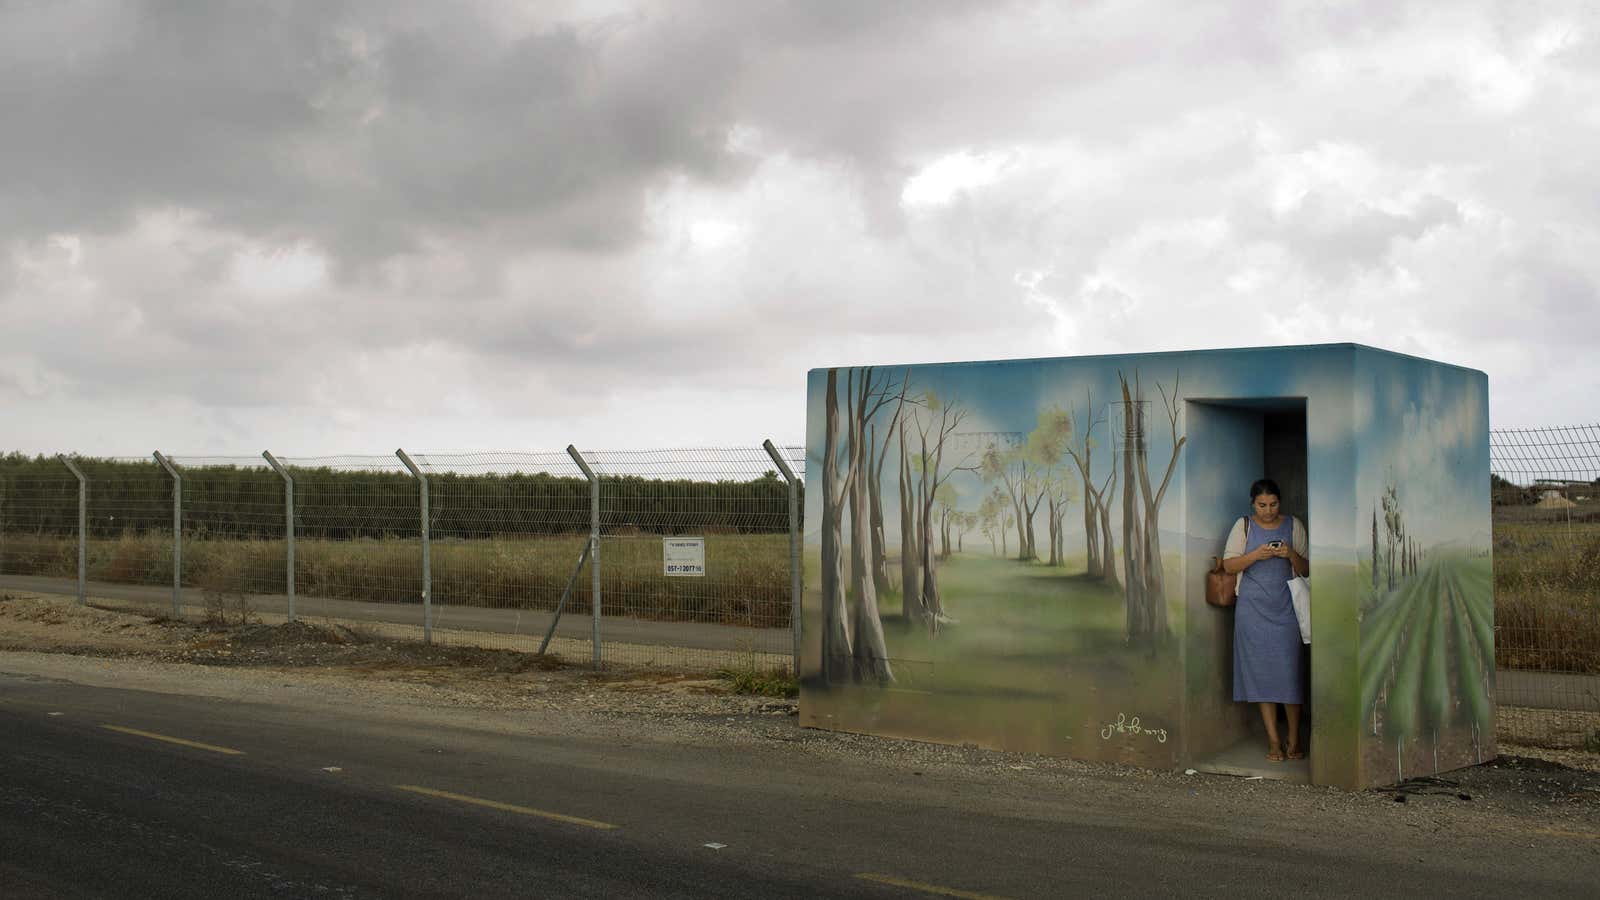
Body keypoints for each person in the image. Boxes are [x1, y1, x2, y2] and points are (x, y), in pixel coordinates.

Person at [1220, 478, 1310, 761]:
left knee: (1290, 674)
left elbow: (1307, 568)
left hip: (1286, 611)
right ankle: (1273, 741)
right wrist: (1257, 554)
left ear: (1279, 503)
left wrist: (1289, 554)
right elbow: (1229, 564)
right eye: (1262, 505)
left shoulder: (1294, 525)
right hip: (1252, 611)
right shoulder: (1243, 526)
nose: (1268, 511)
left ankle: (1294, 740)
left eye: (1273, 504)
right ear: (1252, 504)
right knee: (1260, 676)